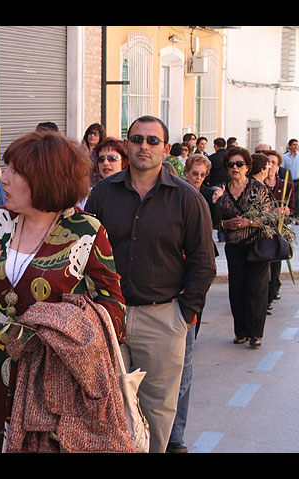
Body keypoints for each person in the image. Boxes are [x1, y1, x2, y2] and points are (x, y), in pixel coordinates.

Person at [0, 129, 130, 453]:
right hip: (2, 371)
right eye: (5, 168)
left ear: (45, 179)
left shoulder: (85, 231)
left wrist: (67, 326)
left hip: (58, 380)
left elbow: (114, 306)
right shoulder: (2, 223)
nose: (3, 179)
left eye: (15, 171)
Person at [85, 115, 216, 453]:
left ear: (166, 149)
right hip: (109, 318)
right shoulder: (101, 194)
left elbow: (204, 263)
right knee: (107, 408)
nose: (144, 146)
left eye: (152, 141)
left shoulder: (187, 199)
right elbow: (85, 253)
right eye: (137, 139)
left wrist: (182, 316)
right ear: (127, 145)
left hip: (163, 319)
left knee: (157, 412)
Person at [168, 153, 217, 453]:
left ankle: (175, 438)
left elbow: (204, 261)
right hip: (147, 304)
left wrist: (188, 309)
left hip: (183, 304)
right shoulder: (173, 198)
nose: (197, 179)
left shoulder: (200, 201)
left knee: (181, 373)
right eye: (193, 173)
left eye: (202, 175)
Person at [215, 147, 275, 348]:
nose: (235, 168)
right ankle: (241, 331)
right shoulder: (221, 190)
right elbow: (214, 221)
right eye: (231, 164)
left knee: (257, 290)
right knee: (237, 289)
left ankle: (256, 333)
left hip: (256, 245)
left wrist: (249, 223)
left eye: (239, 164)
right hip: (234, 247)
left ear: (247, 167)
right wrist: (226, 225)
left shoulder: (258, 189)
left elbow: (269, 217)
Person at [263, 150, 294, 308]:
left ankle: (271, 293)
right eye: (267, 163)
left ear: (278, 166)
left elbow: (292, 209)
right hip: (261, 231)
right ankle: (264, 297)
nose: (270, 166)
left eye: (273, 163)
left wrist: (287, 212)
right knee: (263, 266)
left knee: (275, 264)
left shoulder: (286, 185)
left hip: (278, 232)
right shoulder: (258, 185)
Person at [82, 123, 106, 187]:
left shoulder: (102, 152)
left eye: (95, 134)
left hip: (98, 184)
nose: (92, 136)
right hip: (83, 184)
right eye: (90, 133)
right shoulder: (81, 150)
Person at [281, 139, 299, 219]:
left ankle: (297, 215)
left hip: (298, 179)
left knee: (298, 198)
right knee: (291, 197)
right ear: (290, 146)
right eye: (294, 145)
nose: (296, 146)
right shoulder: (285, 157)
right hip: (289, 181)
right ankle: (291, 214)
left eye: (297, 145)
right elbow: (282, 168)